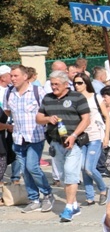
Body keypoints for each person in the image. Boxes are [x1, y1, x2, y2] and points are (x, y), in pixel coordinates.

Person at [36, 70, 90, 222]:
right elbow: (38, 118)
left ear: (66, 84)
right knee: (62, 176)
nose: (53, 87)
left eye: (56, 84)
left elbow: (86, 119)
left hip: (73, 142)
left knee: (70, 173)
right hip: (55, 143)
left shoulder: (77, 97)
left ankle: (69, 207)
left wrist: (73, 136)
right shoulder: (48, 98)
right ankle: (74, 206)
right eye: (52, 84)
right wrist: (48, 118)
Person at [4, 65, 54, 212]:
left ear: (25, 77)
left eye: (15, 76)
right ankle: (33, 198)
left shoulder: (38, 92)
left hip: (35, 136)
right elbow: (7, 111)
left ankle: (47, 194)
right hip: (18, 137)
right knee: (25, 170)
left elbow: (47, 111)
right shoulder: (9, 93)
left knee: (32, 166)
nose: (12, 79)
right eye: (11, 76)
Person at [73, 73, 110, 206]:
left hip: (95, 135)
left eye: (80, 83)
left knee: (90, 168)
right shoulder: (75, 99)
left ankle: (102, 189)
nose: (77, 86)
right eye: (75, 83)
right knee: (83, 167)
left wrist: (106, 136)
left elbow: (107, 117)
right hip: (82, 137)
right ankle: (89, 196)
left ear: (86, 83)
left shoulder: (95, 97)